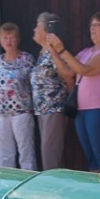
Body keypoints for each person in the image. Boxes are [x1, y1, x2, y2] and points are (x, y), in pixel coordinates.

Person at [45, 13, 100, 172]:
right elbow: (68, 72)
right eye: (91, 25)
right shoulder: (86, 51)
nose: (92, 28)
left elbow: (85, 70)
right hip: (81, 108)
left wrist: (62, 49)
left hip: (99, 108)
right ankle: (96, 189)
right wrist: (53, 51)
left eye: (97, 25)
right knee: (90, 155)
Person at [0, 22, 38, 170]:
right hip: (1, 113)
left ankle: (28, 185)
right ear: (0, 39)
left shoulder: (27, 59)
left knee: (26, 152)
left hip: (21, 112)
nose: (8, 41)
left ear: (18, 39)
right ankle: (5, 185)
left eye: (11, 37)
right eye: (5, 37)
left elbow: (34, 84)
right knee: (5, 154)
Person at [29, 13, 73, 169]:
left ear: (47, 30)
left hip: (54, 108)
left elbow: (68, 74)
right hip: (42, 110)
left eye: (37, 26)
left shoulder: (53, 52)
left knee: (50, 154)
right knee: (48, 152)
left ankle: (53, 190)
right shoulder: (42, 53)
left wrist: (71, 97)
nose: (34, 29)